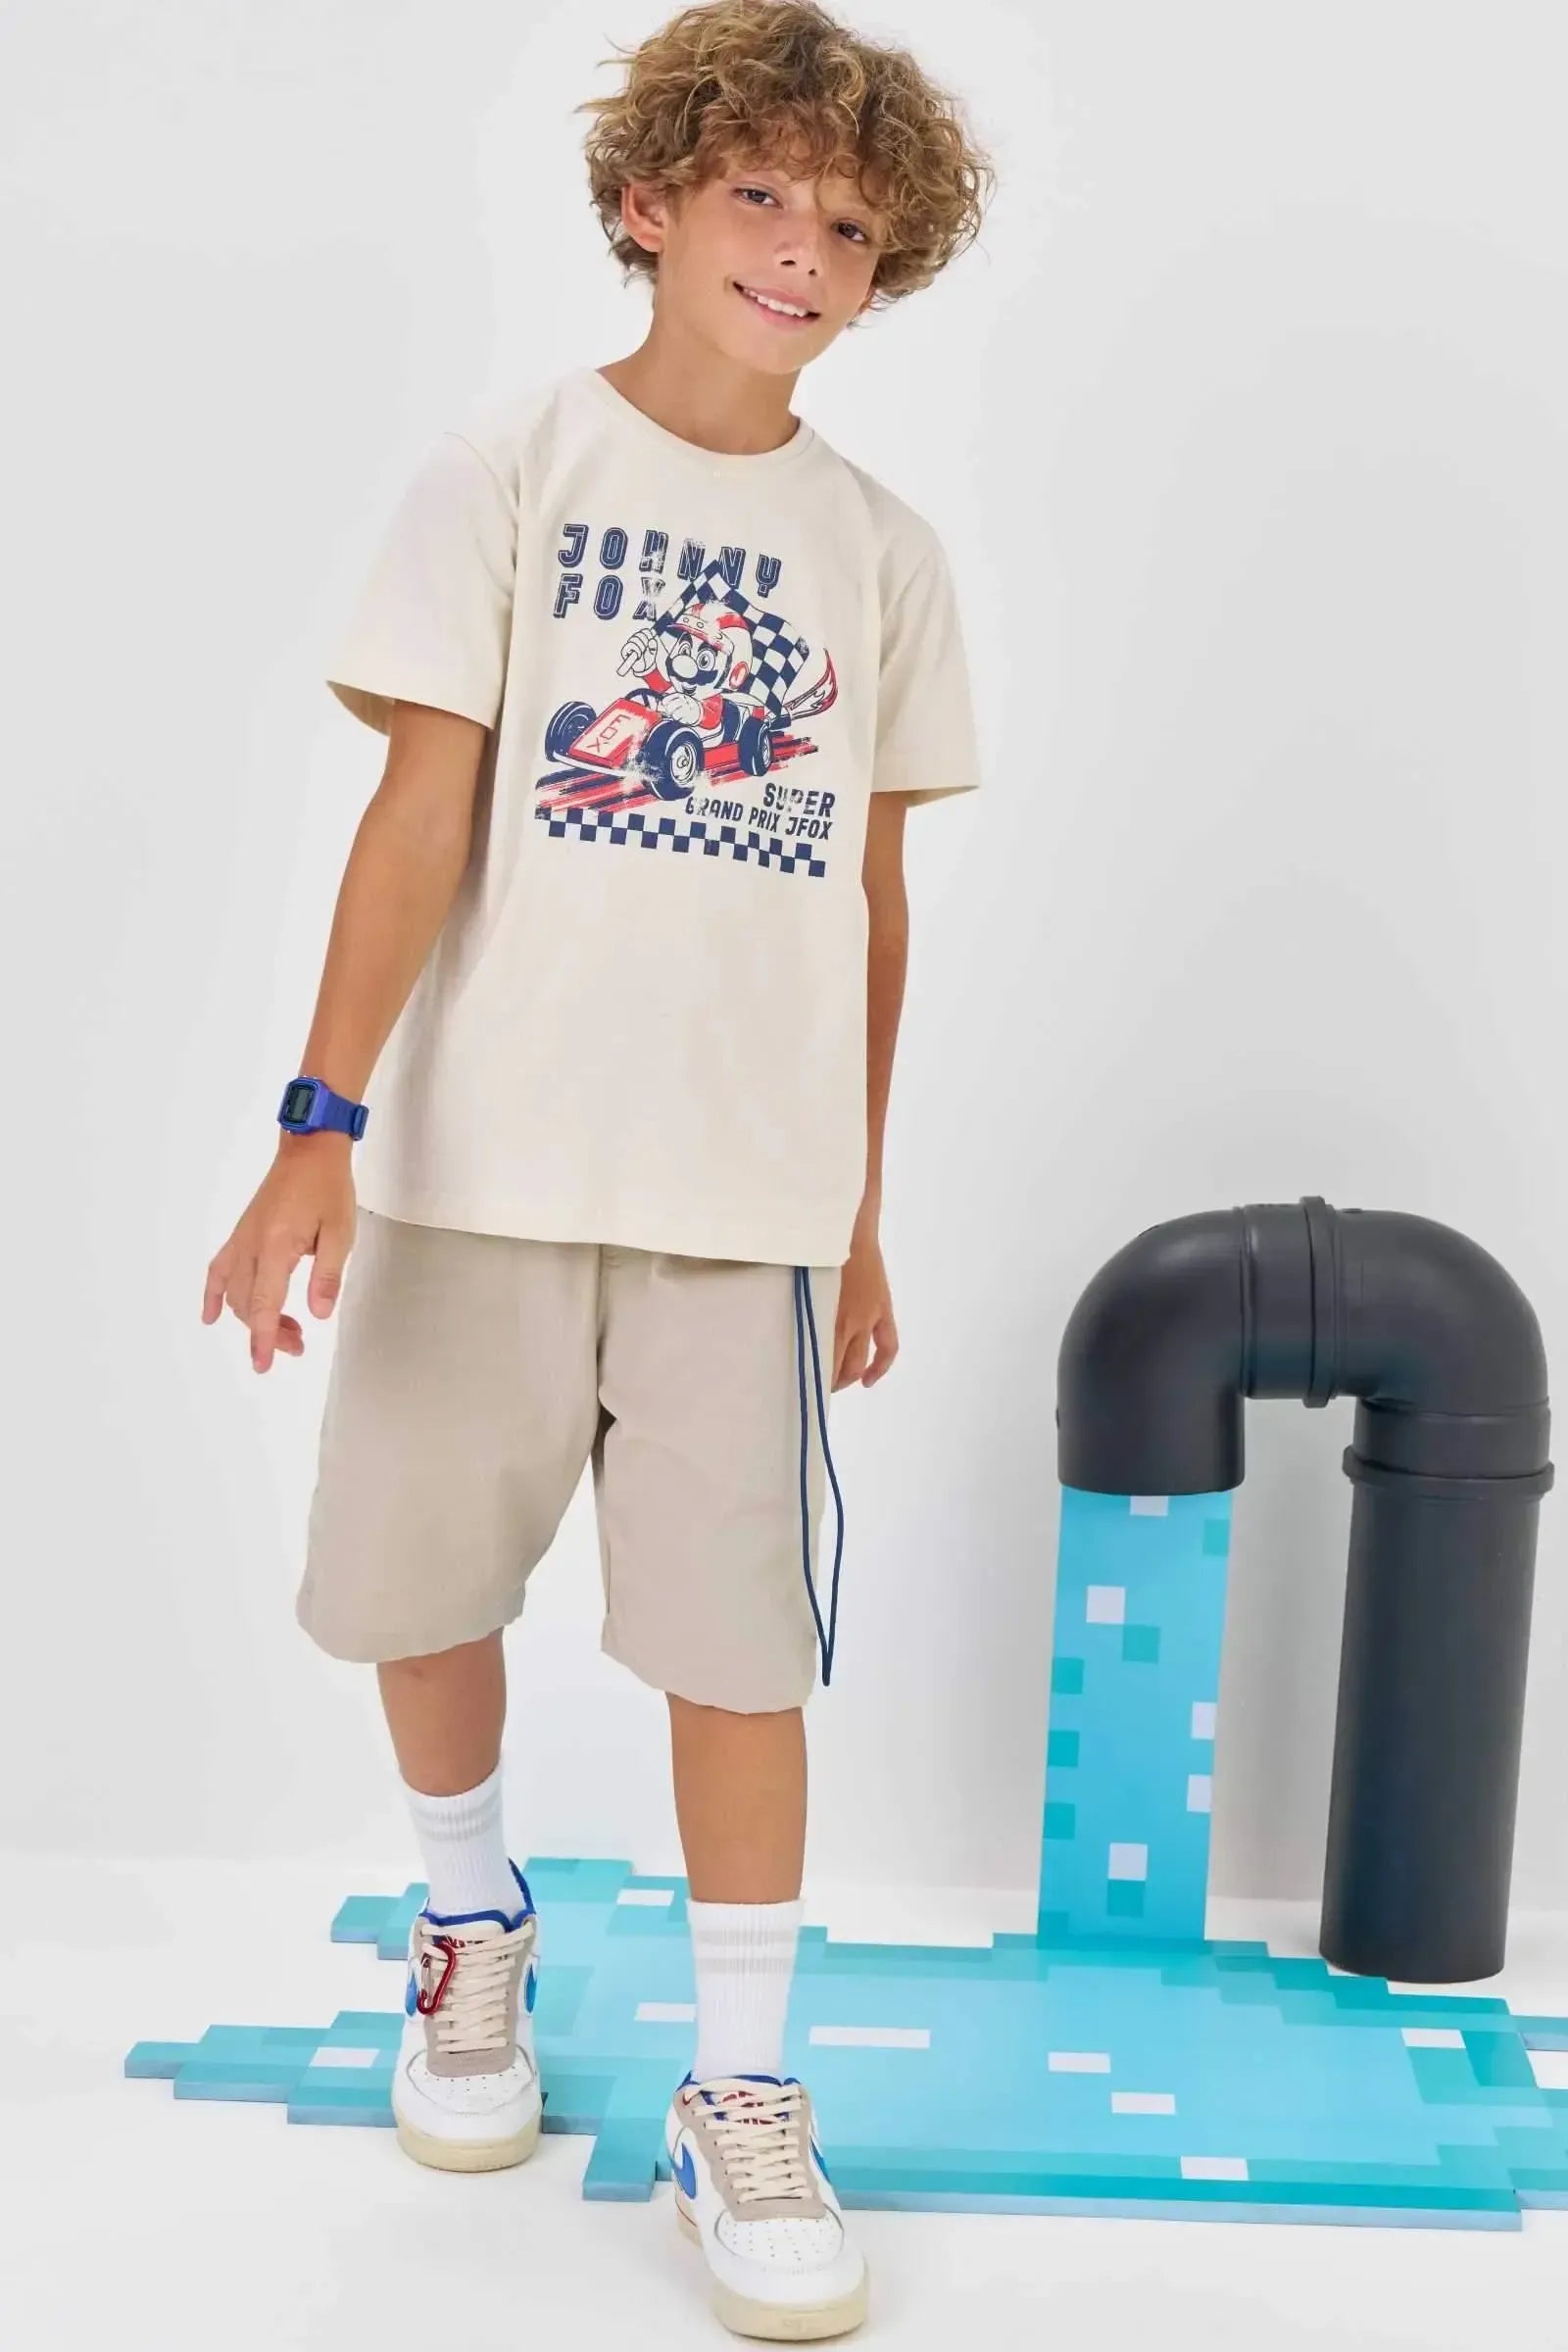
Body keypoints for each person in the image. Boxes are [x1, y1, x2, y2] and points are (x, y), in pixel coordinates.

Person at [202, 1, 990, 2337]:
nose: (804, 250)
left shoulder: (880, 554)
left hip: (741, 1209)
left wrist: (855, 1207)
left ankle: (739, 2091)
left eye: (850, 225)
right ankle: (468, 1928)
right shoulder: (510, 471)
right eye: (759, 194)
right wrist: (315, 1130)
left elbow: (869, 902)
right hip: (475, 1171)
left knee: (738, 1653)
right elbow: (416, 813)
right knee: (418, 1584)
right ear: (646, 204)